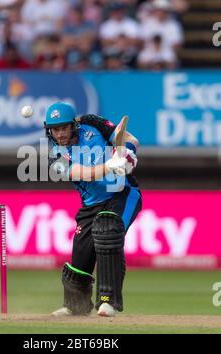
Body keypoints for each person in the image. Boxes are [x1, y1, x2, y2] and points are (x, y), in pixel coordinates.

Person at [44, 102, 142, 317]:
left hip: (122, 194)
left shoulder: (91, 123)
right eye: (55, 129)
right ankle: (76, 305)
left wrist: (128, 154)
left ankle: (108, 302)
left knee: (108, 230)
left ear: (74, 125)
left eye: (63, 128)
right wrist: (110, 166)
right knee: (81, 253)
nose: (60, 134)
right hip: (90, 206)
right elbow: (83, 173)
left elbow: (129, 139)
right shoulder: (54, 156)